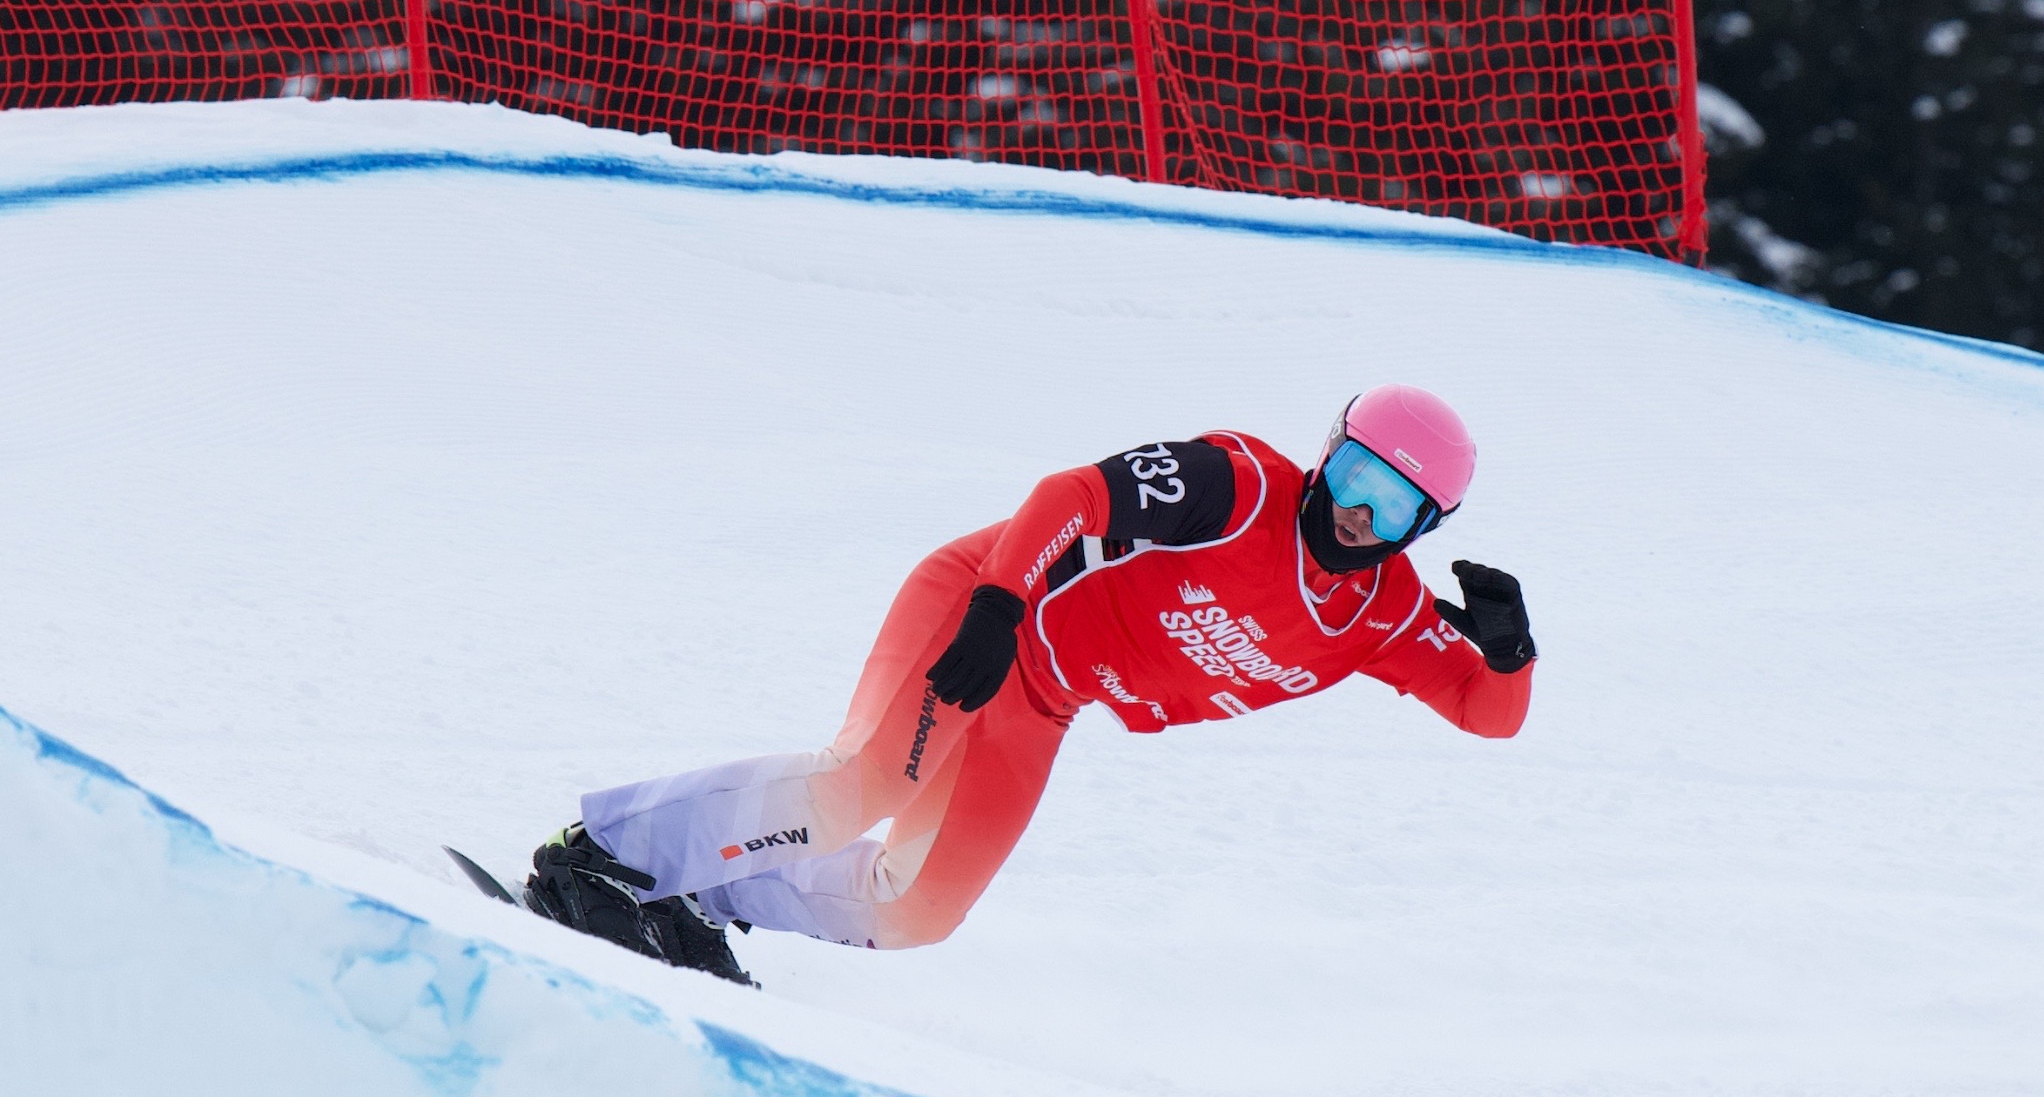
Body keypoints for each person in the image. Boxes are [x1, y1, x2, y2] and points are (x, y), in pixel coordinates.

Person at [518, 385, 1537, 983]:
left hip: (1043, 701)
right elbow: (1074, 494)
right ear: (1328, 452)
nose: (1359, 512)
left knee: (916, 908)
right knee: (868, 780)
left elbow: (1486, 714)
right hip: (984, 613)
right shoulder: (1239, 487)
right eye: (1356, 475)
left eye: (1393, 505)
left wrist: (1509, 651)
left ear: (1425, 527)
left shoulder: (1382, 615)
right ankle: (603, 853)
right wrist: (1000, 602)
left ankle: (699, 892)